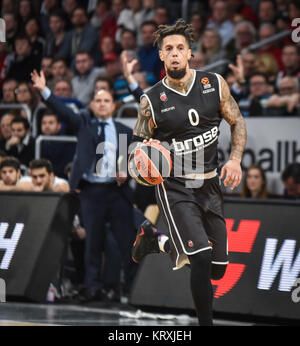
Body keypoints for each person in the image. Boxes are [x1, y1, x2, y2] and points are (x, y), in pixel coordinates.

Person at [130, 19, 247, 326]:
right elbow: (136, 148)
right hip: (175, 187)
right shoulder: (151, 101)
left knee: (217, 269)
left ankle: (157, 241)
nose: (175, 53)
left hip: (210, 185)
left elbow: (237, 122)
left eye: (180, 48)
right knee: (201, 258)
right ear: (161, 56)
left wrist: (234, 160)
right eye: (168, 48)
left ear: (190, 52)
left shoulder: (214, 84)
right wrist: (142, 156)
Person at [31, 69, 137, 303]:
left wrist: (126, 173)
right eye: (97, 100)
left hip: (118, 192)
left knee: (127, 241)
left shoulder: (124, 131)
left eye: (106, 100)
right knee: (93, 242)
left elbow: (133, 162)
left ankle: (130, 289)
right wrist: (45, 91)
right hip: (91, 191)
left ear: (113, 105)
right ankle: (92, 288)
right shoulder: (84, 125)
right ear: (91, 104)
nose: (101, 104)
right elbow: (63, 111)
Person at [0, 158, 70, 192]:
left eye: (42, 176)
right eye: (34, 177)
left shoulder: (60, 185)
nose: (38, 180)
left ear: (51, 175)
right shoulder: (28, 183)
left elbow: (65, 188)